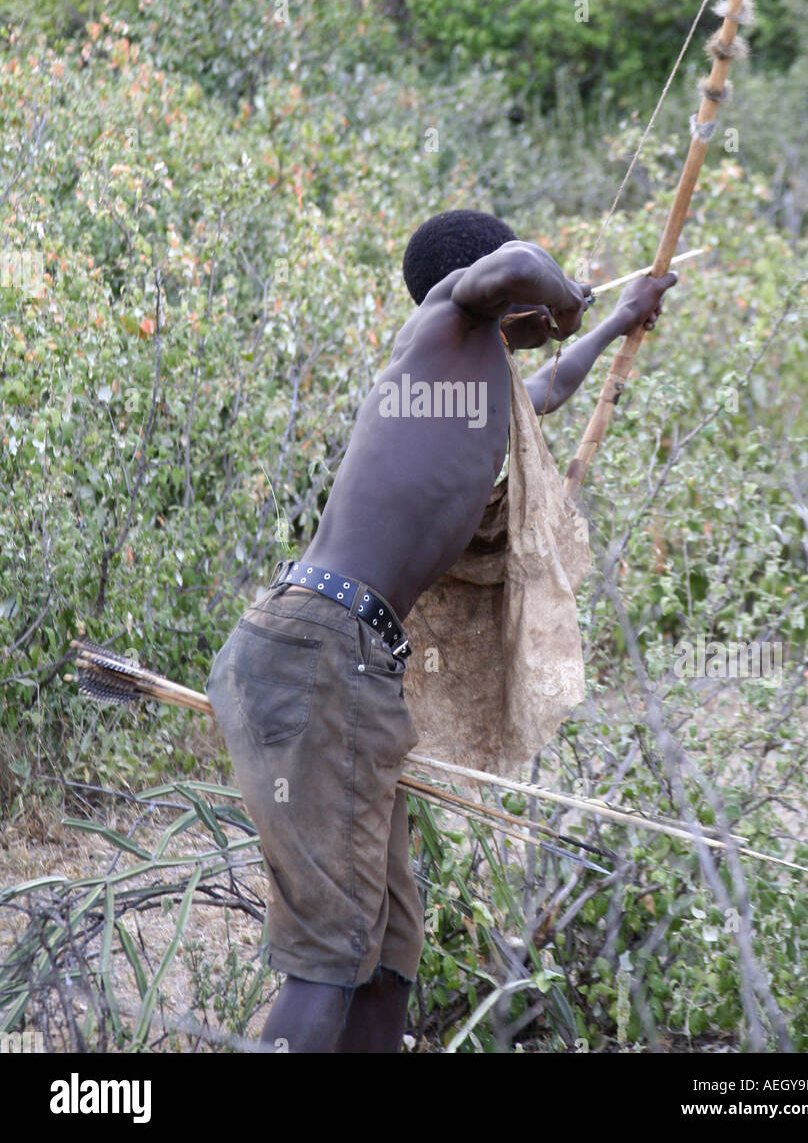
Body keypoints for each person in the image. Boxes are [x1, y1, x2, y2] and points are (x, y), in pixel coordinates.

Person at [206, 208, 675, 1053]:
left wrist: (613, 317)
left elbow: (552, 388)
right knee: (331, 958)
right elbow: (521, 265)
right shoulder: (446, 325)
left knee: (386, 955)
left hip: (330, 660)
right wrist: (564, 294)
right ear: (494, 297)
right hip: (323, 656)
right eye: (517, 302)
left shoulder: (469, 384)